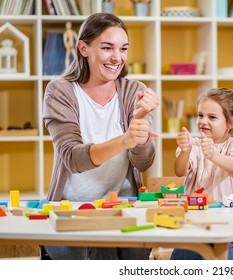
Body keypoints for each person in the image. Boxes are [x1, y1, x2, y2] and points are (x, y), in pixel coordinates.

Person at [42, 13, 160, 260]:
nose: (117, 58)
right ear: (83, 48)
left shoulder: (133, 91)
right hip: (71, 208)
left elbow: (143, 162)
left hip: (123, 205)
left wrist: (139, 121)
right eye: (107, 48)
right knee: (101, 252)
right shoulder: (60, 91)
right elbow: (74, 159)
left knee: (134, 256)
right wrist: (126, 139)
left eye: (123, 49)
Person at [171, 87, 233, 260]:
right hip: (193, 228)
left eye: (212, 117)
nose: (203, 121)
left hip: (228, 229)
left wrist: (213, 155)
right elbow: (179, 171)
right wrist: (185, 151)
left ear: (230, 123)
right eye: (200, 115)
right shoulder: (193, 144)